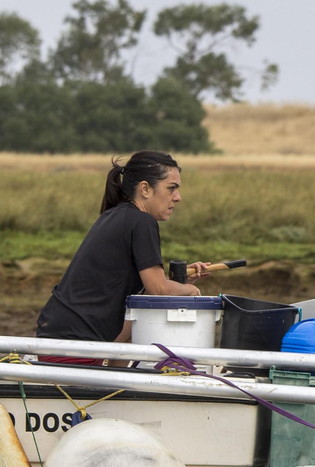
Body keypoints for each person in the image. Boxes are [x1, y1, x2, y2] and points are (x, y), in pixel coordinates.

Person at [35, 151, 210, 352]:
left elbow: (150, 290)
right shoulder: (143, 222)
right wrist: (191, 291)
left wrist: (178, 284)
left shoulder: (115, 214)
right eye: (171, 188)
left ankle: (117, 374)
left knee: (137, 320)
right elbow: (159, 291)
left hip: (56, 333)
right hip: (74, 342)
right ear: (145, 188)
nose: (178, 198)